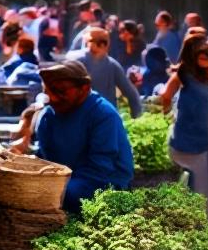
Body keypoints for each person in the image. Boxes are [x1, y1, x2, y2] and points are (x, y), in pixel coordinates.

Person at [15, 60, 134, 213]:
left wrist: (54, 191)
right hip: (65, 183)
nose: (53, 98)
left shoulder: (103, 115)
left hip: (104, 186)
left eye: (60, 91)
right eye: (48, 91)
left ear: (84, 89)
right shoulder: (48, 116)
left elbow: (99, 171)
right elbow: (46, 160)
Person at [161, 34, 208, 222]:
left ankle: (203, 220)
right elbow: (166, 95)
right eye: (204, 52)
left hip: (205, 137)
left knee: (203, 186)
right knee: (199, 187)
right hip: (187, 137)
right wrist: (167, 115)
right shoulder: (184, 73)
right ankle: (195, 222)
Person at [76, 27, 143, 118]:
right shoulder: (111, 64)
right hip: (104, 117)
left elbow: (131, 94)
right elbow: (131, 94)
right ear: (104, 44)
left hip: (83, 117)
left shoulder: (77, 61)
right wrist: (136, 116)